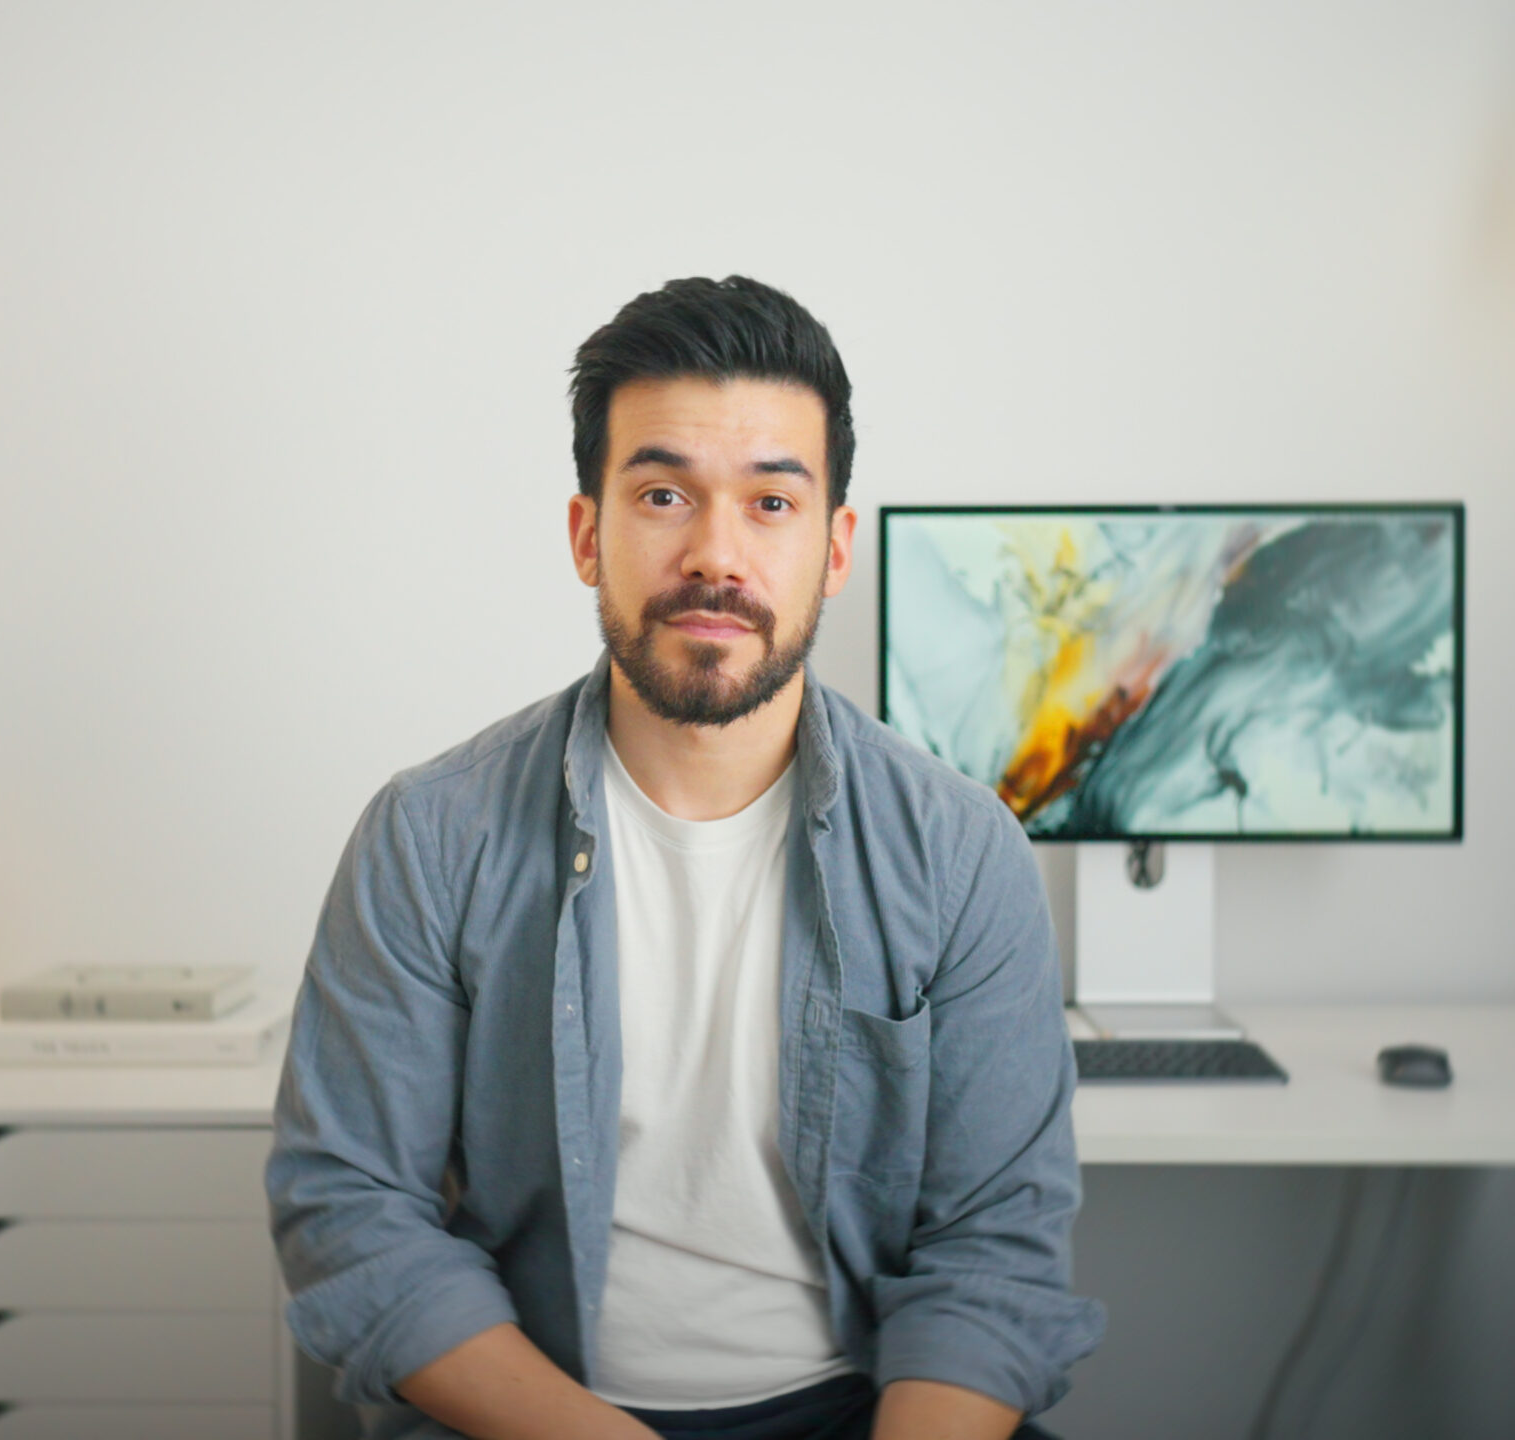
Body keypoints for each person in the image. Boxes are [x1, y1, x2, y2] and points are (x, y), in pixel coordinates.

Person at [268, 275, 1101, 1440]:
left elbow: (993, 1256)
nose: (716, 555)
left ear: (835, 547)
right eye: (664, 493)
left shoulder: (962, 854)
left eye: (770, 504)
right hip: (542, 1415)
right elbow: (352, 1213)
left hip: (862, 1409)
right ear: (585, 533)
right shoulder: (428, 837)